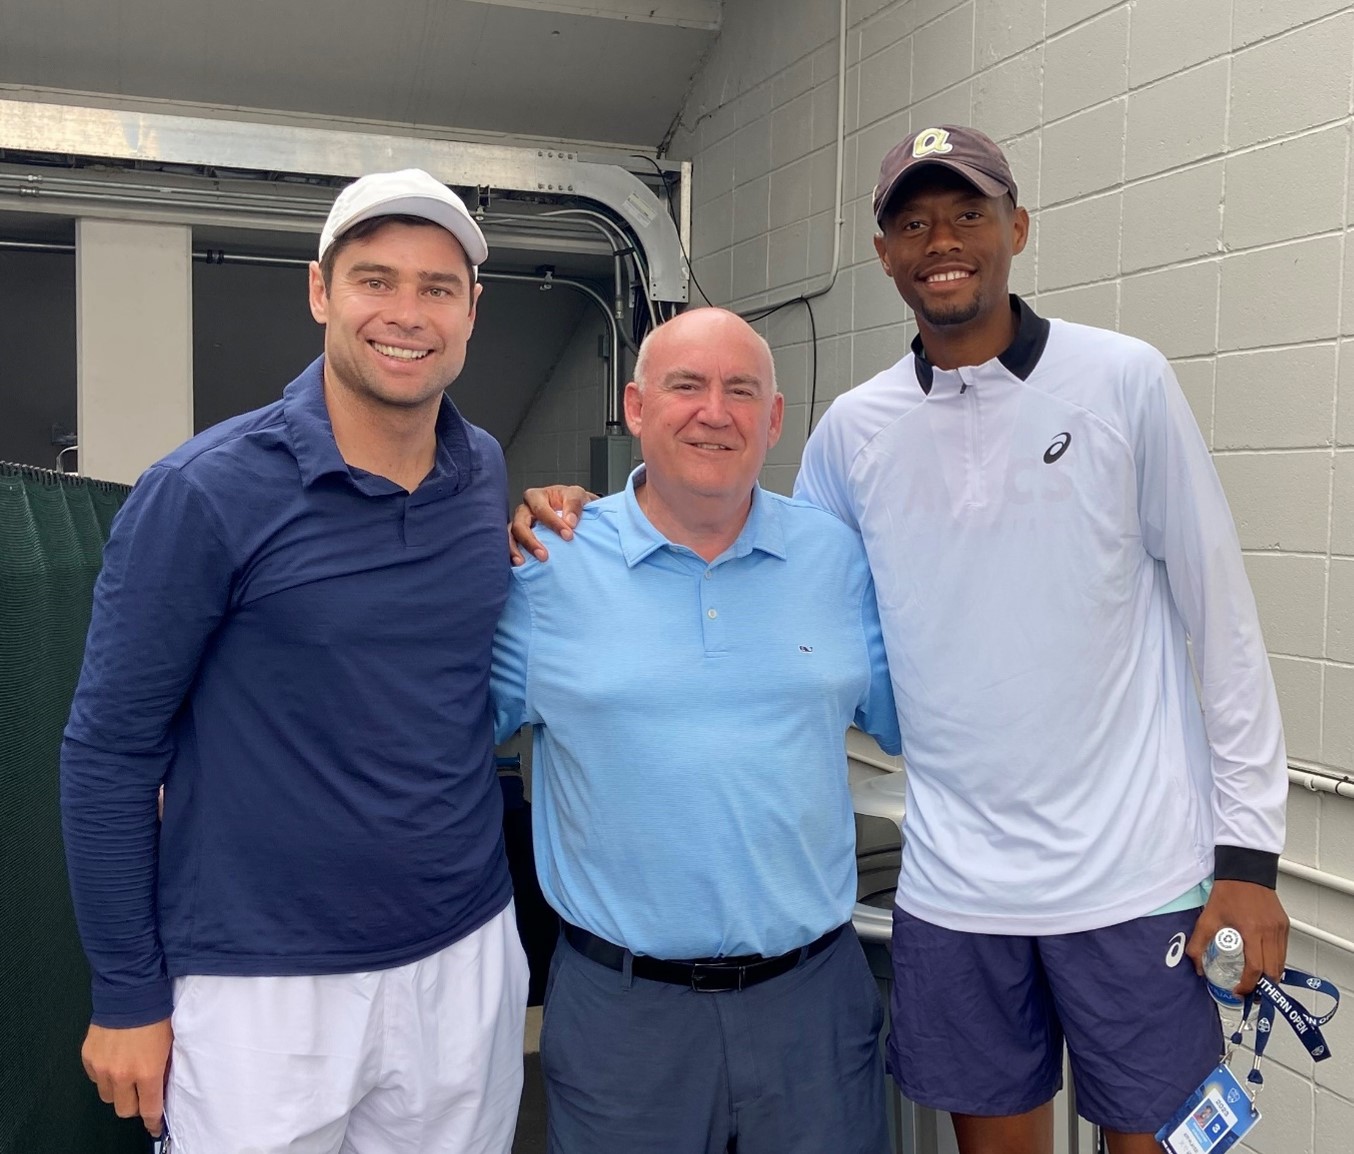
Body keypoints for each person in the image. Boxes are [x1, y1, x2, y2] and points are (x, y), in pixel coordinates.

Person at [511, 127, 1290, 1154]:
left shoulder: (1123, 382)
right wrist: (577, 514)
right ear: (883, 253)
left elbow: (1221, 618)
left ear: (1015, 226)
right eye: (912, 222)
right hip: (955, 892)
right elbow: (783, 571)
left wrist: (1249, 855)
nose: (942, 240)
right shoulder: (852, 431)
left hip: (1135, 879)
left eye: (967, 212)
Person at [61, 169, 528, 1153]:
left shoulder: (479, 468)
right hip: (258, 985)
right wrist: (125, 992)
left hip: (464, 956)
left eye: (437, 287)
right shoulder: (201, 492)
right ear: (321, 291)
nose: (407, 314)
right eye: (375, 280)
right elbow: (107, 752)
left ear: (472, 310)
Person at [491, 307, 900, 1154]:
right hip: (624, 1019)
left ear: (774, 419)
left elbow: (926, 720)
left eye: (740, 390)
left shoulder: (839, 561)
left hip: (812, 1009)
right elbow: (434, 747)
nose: (714, 412)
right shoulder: (545, 569)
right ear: (636, 408)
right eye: (687, 386)